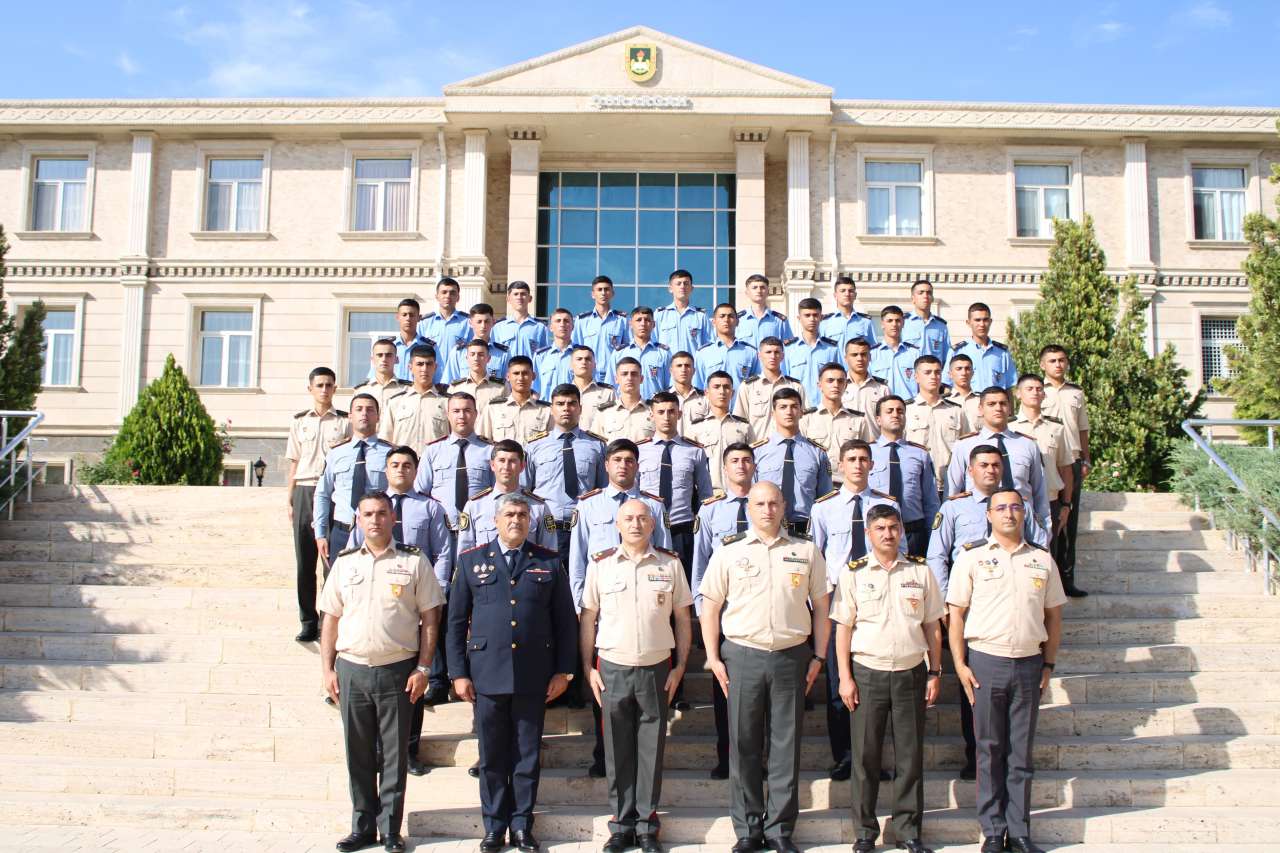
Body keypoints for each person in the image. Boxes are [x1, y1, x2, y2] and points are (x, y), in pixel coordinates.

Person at [698, 482, 831, 853]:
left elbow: (822, 606)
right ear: (749, 508)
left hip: (791, 655)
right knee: (744, 744)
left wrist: (819, 656)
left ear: (784, 506)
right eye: (760, 504)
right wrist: (713, 657)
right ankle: (747, 828)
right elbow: (710, 606)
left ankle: (780, 829)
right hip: (743, 655)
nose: (768, 510)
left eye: (774, 503)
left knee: (786, 744)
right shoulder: (729, 551)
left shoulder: (805, 550)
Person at [448, 493, 577, 853]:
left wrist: (564, 671)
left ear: (530, 521)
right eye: (509, 514)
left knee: (526, 755)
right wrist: (458, 673)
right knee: (491, 756)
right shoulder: (471, 561)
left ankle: (521, 825)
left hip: (533, 674)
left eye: (522, 514)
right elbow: (455, 623)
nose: (516, 520)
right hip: (487, 674)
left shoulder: (548, 562)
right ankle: (494, 826)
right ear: (496, 520)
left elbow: (565, 623)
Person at [319, 490, 444, 853]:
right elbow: (330, 619)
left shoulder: (414, 561)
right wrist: (327, 669)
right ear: (358, 520)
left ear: (393, 518)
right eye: (368, 514)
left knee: (394, 754)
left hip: (397, 670)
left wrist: (424, 667)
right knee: (357, 753)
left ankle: (390, 829)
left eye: (381, 513)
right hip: (352, 669)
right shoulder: (344, 563)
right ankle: (362, 826)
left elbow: (430, 617)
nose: (375, 520)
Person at [947, 489, 1065, 853]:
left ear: (1024, 512)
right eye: (1001, 508)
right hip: (986, 662)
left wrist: (1048, 663)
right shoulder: (972, 557)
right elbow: (955, 615)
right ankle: (993, 831)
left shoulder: (1041, 559)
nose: (1009, 513)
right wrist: (960, 665)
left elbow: (1053, 617)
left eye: (1015, 507)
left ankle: (1019, 831)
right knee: (989, 750)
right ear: (989, 515)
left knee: (1021, 753)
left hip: (1029, 663)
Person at [927, 444, 1047, 781]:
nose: (990, 470)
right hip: (968, 607)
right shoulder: (954, 508)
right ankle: (976, 755)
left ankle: (1011, 757)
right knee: (973, 684)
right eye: (983, 465)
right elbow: (937, 555)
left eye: (995, 465)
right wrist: (947, 603)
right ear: (970, 469)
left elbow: (1040, 546)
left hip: (1011, 607)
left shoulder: (1018, 507)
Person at [580, 500, 693, 853]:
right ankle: (621, 824)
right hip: (612, 667)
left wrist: (680, 666)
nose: (635, 524)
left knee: (651, 749)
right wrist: (587, 668)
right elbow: (588, 618)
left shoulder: (670, 564)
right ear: (617, 524)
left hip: (656, 668)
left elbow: (683, 618)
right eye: (628, 518)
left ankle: (647, 825)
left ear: (653, 524)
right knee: (617, 750)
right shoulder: (601, 564)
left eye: (643, 518)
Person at [833, 505, 943, 853]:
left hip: (911, 671)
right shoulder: (854, 573)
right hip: (868, 672)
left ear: (901, 531)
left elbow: (932, 625)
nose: (888, 534)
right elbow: (843, 629)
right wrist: (845, 677)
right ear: (868, 533)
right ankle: (865, 832)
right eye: (880, 528)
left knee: (910, 756)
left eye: (893, 527)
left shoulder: (920, 571)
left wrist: (936, 671)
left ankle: (908, 831)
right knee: (865, 757)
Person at [568, 438, 673, 777]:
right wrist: (581, 607)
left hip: (645, 610)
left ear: (637, 465)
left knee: (646, 696)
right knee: (605, 690)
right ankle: (605, 756)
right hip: (604, 609)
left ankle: (642, 760)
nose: (623, 465)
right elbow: (577, 561)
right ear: (606, 465)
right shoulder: (589, 506)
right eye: (617, 460)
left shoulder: (653, 506)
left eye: (629, 460)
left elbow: (666, 556)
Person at [345, 446, 454, 770]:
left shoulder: (431, 507)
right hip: (376, 604)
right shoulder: (370, 509)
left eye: (407, 465)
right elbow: (352, 552)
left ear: (416, 470)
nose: (401, 470)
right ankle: (378, 752)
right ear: (386, 469)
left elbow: (443, 552)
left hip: (416, 602)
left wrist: (436, 593)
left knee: (413, 679)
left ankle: (408, 751)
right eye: (395, 465)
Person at [808, 439, 898, 781]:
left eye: (863, 459)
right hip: (839, 601)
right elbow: (815, 559)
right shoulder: (824, 508)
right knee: (838, 681)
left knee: (876, 685)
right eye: (851, 459)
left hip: (878, 598)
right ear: (840, 465)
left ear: (872, 464)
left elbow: (898, 551)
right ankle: (845, 756)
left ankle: (872, 758)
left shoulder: (888, 506)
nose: (858, 465)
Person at [691, 442, 757, 780]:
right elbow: (700, 565)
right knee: (724, 689)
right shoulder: (710, 511)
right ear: (725, 468)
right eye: (734, 461)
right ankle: (727, 757)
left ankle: (757, 759)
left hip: (758, 611)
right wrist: (704, 613)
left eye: (746, 460)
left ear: (754, 466)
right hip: (724, 612)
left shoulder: (766, 505)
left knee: (759, 695)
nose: (741, 466)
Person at [285, 366, 351, 642]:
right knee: (305, 562)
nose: (324, 390)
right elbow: (294, 461)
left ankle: (328, 622)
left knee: (330, 562)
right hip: (305, 488)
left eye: (329, 385)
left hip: (333, 492)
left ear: (335, 388)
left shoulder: (345, 422)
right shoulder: (299, 422)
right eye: (319, 385)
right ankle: (308, 621)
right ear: (310, 388)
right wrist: (290, 498)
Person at [947, 387, 1051, 535]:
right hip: (978, 526)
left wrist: (1045, 530)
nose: (998, 408)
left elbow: (1040, 493)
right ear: (980, 409)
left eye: (1003, 403)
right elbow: (952, 493)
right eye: (991, 404)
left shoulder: (1027, 445)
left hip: (1021, 525)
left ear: (1010, 408)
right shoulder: (964, 446)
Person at [638, 391, 715, 581]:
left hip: (682, 529)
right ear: (651, 415)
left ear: (679, 414)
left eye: (671, 411)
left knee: (684, 584)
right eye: (661, 412)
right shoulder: (639, 450)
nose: (666, 417)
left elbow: (705, 495)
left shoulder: (695, 451)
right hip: (648, 529)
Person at [313, 394, 393, 572]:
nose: (364, 413)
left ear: (378, 417)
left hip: (378, 532)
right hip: (342, 531)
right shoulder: (336, 453)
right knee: (338, 585)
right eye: (359, 409)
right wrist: (320, 534)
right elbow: (322, 494)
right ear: (350, 416)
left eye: (370, 410)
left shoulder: (390, 454)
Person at [1040, 345, 1091, 598]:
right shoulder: (1037, 390)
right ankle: (1048, 581)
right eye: (1052, 361)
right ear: (1043, 365)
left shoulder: (1076, 393)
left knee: (1069, 521)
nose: (1058, 365)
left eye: (1061, 360)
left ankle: (1067, 578)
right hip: (1047, 460)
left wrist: (1086, 459)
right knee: (1048, 519)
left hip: (1072, 460)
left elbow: (1083, 428)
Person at [751, 387, 831, 536]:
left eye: (794, 407)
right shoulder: (757, 452)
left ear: (801, 412)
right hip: (768, 526)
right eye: (783, 407)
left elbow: (825, 499)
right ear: (773, 413)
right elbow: (751, 495)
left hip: (805, 528)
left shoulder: (817, 452)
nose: (789, 412)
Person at [457, 439, 558, 553]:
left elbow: (550, 553)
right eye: (501, 460)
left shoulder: (539, 507)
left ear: (522, 466)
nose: (506, 467)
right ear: (492, 465)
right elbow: (464, 555)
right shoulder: (474, 507)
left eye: (512, 461)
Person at [414, 393, 496, 532]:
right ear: (448, 415)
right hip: (441, 529)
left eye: (467, 410)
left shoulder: (490, 451)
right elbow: (421, 493)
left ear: (476, 414)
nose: (462, 416)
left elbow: (498, 492)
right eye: (456, 411)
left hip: (480, 528)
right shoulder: (432, 451)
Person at [869, 396, 938, 557]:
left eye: (900, 411)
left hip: (913, 532)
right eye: (889, 411)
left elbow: (930, 501)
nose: (895, 414)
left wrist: (934, 538)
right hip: (879, 532)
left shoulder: (920, 454)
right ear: (878, 419)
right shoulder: (867, 453)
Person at [1011, 375, 1075, 544]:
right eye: (1029, 389)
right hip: (1016, 502)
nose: (1035, 392)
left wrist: (1066, 505)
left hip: (1050, 501)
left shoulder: (1056, 428)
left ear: (1044, 394)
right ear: (1018, 393)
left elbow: (1065, 468)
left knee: (1049, 553)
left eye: (1039, 389)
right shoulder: (1009, 427)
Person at [905, 355, 970, 493]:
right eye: (927, 372)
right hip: (916, 483)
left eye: (937, 372)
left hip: (950, 484)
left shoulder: (956, 410)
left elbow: (966, 448)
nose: (933, 376)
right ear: (916, 377)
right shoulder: (906, 410)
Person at [799, 362, 873, 485]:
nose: (836, 385)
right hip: (814, 484)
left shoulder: (858, 421)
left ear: (845, 385)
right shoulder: (806, 419)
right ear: (819, 385)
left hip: (846, 485)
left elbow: (864, 456)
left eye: (840, 381)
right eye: (830, 381)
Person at [684, 371, 754, 493]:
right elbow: (688, 465)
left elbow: (753, 461)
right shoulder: (695, 428)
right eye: (716, 387)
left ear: (732, 393)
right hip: (707, 494)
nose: (722, 391)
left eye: (726, 387)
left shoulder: (744, 426)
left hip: (738, 493)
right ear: (707, 393)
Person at [380, 344, 449, 449]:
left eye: (429, 364)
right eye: (419, 364)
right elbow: (385, 442)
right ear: (410, 367)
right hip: (403, 459)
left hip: (436, 459)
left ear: (435, 367)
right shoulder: (396, 402)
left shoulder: (447, 402)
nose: (424, 369)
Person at [733, 336, 804, 438]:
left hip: (789, 445)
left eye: (777, 352)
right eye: (768, 352)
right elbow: (740, 423)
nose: (773, 356)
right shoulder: (748, 387)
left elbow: (805, 420)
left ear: (782, 356)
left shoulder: (795, 386)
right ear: (759, 356)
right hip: (757, 446)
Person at [478, 356, 552, 445]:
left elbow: (553, 444)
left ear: (533, 376)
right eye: (516, 373)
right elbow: (482, 443)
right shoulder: (493, 409)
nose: (520, 378)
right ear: (508, 377)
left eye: (525, 373)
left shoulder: (547, 411)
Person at [693, 303, 761, 400]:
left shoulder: (750, 352)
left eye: (730, 316)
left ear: (737, 322)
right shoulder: (703, 353)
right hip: (711, 408)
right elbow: (698, 387)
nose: (726, 320)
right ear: (713, 322)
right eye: (722, 316)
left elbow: (756, 385)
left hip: (741, 407)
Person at [782, 298, 841, 404]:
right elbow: (783, 381)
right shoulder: (788, 349)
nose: (812, 319)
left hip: (824, 406)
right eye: (807, 315)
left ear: (821, 317)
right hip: (797, 407)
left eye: (815, 315)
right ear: (799, 318)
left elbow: (841, 377)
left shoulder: (832, 349)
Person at [946, 303, 1016, 391]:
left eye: (985, 320)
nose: (982, 324)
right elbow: (947, 385)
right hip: (967, 399)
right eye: (977, 320)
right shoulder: (957, 351)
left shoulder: (1002, 353)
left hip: (994, 399)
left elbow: (1009, 387)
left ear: (990, 322)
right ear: (968, 323)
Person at [573, 275, 630, 382]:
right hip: (589, 375)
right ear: (593, 294)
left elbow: (628, 349)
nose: (603, 293)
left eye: (607, 289)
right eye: (599, 290)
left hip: (614, 376)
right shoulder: (582, 321)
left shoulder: (622, 320)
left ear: (612, 293)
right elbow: (576, 350)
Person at [607, 307, 672, 400]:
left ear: (653, 324)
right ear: (630, 324)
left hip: (654, 406)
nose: (643, 323)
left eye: (647, 320)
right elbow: (610, 387)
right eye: (638, 320)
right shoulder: (619, 353)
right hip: (626, 407)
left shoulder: (664, 353)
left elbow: (670, 386)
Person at [417, 277, 472, 384]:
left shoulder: (468, 323)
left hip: (457, 381)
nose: (448, 296)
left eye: (452, 293)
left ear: (458, 297)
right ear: (436, 296)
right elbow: (418, 354)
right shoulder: (424, 323)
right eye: (444, 292)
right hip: (431, 382)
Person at [442, 303, 510, 384]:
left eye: (486, 321)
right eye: (479, 322)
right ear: (470, 323)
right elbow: (449, 383)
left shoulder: (503, 353)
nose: (483, 326)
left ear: (493, 322)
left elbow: (508, 383)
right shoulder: (459, 352)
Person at [594, 358, 656, 443]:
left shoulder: (654, 410)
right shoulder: (604, 412)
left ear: (641, 379)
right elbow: (596, 445)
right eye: (624, 374)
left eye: (634, 374)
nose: (629, 378)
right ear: (616, 379)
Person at [655, 269, 712, 355]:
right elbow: (653, 343)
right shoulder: (660, 314)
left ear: (691, 288)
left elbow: (709, 345)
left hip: (693, 363)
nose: (682, 286)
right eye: (678, 284)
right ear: (670, 289)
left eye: (686, 283)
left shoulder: (701, 316)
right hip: (668, 363)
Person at [842, 337, 890, 437]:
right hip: (846, 444)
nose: (859, 358)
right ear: (846, 358)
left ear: (870, 357)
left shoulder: (882, 388)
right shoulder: (838, 386)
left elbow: (888, 421)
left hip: (874, 444)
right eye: (854, 355)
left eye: (863, 354)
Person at [869, 306, 921, 399]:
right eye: (890, 321)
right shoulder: (871, 354)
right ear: (882, 324)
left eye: (898, 321)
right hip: (881, 404)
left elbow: (921, 384)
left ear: (903, 323)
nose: (894, 324)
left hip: (908, 405)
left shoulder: (915, 353)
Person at [492, 281, 551, 358]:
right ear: (508, 299)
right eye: (516, 294)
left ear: (530, 299)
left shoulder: (540, 327)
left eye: (523, 294)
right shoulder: (498, 327)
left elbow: (545, 356)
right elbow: (494, 355)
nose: (519, 297)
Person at [820, 274, 878, 350]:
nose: (847, 294)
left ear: (855, 295)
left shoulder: (866, 322)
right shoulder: (825, 322)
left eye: (850, 291)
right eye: (842, 291)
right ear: (835, 295)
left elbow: (873, 350)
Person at [449, 339, 506, 414]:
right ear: (467, 358)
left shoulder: (501, 387)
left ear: (488, 359)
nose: (476, 358)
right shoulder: (455, 387)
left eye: (481, 355)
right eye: (472, 354)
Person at [353, 338, 411, 411]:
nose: (384, 359)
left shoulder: (408, 389)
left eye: (388, 355)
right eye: (380, 355)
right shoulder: (361, 391)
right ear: (372, 360)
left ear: (396, 359)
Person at [736, 274, 791, 349]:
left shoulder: (780, 320)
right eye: (754, 288)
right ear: (747, 292)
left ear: (768, 291)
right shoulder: (738, 320)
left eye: (762, 287)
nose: (759, 291)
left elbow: (788, 348)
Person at [901, 278, 950, 361]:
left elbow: (947, 357)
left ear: (932, 298)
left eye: (929, 293)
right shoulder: (903, 322)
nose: (925, 296)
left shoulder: (941, 326)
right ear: (913, 298)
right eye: (921, 293)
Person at [571, 345, 616, 433]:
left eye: (588, 359)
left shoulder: (607, 393)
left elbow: (613, 422)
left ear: (595, 365)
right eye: (579, 359)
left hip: (598, 440)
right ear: (571, 365)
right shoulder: (563, 393)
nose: (583, 362)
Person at [382, 298, 429, 382]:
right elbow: (376, 375)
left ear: (419, 318)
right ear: (397, 317)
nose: (408, 318)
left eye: (412, 315)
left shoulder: (428, 346)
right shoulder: (387, 347)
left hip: (417, 390)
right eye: (404, 315)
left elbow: (437, 375)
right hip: (392, 389)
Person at [533, 308, 576, 398]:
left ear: (572, 327)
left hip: (573, 405)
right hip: (547, 405)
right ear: (551, 327)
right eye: (558, 321)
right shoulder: (540, 356)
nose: (562, 324)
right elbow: (535, 390)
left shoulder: (581, 355)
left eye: (566, 321)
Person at [668, 350, 710, 432]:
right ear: (671, 371)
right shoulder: (661, 398)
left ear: (694, 371)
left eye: (687, 366)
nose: (683, 369)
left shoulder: (705, 398)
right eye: (679, 366)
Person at [945, 353, 981, 427]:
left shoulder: (982, 401)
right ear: (950, 374)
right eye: (959, 369)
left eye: (967, 369)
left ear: (972, 373)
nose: (964, 373)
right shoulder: (943, 402)